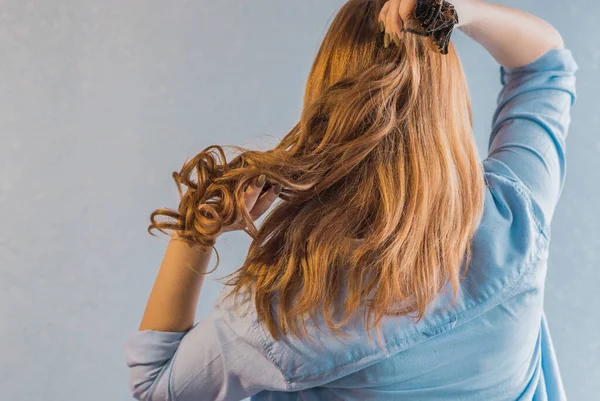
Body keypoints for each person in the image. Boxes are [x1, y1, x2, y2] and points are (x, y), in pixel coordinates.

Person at [125, 0, 578, 399]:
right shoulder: (515, 217)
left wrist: (197, 229)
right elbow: (544, 63)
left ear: (326, 103)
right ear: (448, 100)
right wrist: (457, 10)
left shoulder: (289, 314)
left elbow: (156, 386)